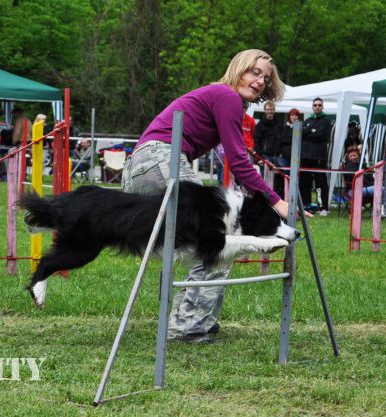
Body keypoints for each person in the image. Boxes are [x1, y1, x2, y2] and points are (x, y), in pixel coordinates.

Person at [122, 49, 290, 343]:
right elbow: (238, 163)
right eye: (254, 72)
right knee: (215, 241)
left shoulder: (221, 99)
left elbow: (230, 153)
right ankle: (188, 325)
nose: (260, 81)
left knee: (206, 241)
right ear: (238, 68)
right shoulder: (225, 96)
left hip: (140, 166)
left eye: (265, 78)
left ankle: (199, 318)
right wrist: (276, 201)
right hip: (162, 160)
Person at [300, 97, 333, 216]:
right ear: (312, 107)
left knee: (321, 182)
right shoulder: (308, 120)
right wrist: (311, 130)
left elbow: (321, 135)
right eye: (315, 105)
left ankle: (324, 207)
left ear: (322, 107)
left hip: (319, 156)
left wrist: (309, 132)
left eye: (319, 105)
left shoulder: (326, 121)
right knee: (304, 182)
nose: (317, 107)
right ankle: (306, 206)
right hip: (305, 156)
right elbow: (301, 134)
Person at [253, 100, 285, 196]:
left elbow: (282, 139)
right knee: (265, 179)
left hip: (278, 156)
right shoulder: (260, 125)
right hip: (265, 156)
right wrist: (259, 157)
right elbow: (257, 142)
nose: (270, 111)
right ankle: (265, 197)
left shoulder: (279, 124)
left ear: (274, 110)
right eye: (268, 109)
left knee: (279, 177)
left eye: (271, 109)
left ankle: (277, 197)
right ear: (265, 111)